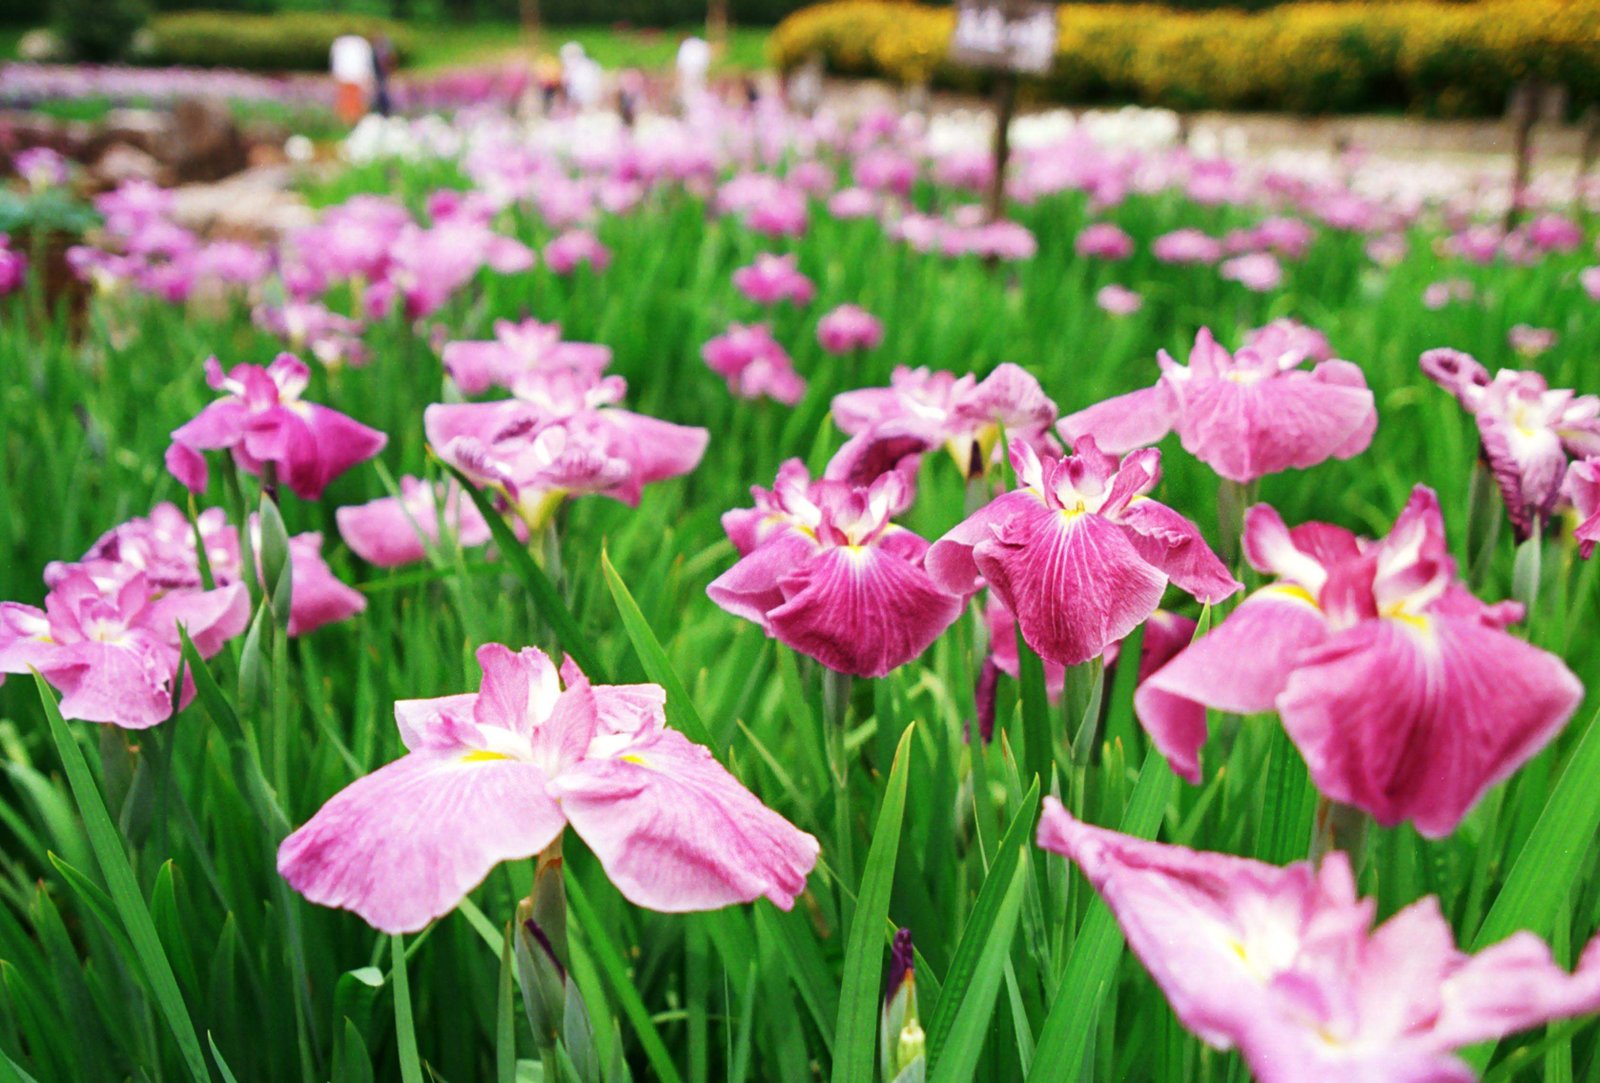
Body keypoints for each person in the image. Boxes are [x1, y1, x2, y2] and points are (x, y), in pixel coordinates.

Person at [330, 33, 375, 125]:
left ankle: (354, 122)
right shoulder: (359, 43)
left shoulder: (341, 43)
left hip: (353, 77)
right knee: (349, 103)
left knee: (354, 104)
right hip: (352, 77)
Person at [676, 35, 711, 113]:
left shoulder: (685, 46)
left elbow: (680, 67)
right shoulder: (701, 45)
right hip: (700, 76)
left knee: (688, 97)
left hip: (688, 78)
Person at [371, 34, 396, 118]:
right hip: (380, 75)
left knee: (383, 93)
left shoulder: (382, 50)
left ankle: (385, 111)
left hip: (382, 75)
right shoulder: (379, 50)